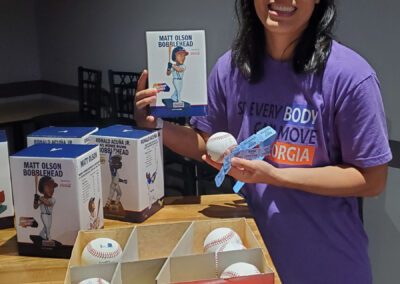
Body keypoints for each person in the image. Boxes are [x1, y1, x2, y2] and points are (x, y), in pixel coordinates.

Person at [134, 0, 392, 283]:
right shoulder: (230, 69)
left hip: (328, 266)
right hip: (251, 263)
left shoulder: (351, 76)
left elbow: (372, 179)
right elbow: (206, 142)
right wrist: (156, 125)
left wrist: (276, 177)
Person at [33, 176, 57, 241]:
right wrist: (35, 200)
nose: (51, 189)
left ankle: (42, 233)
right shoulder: (40, 199)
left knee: (47, 226)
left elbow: (48, 203)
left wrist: (39, 198)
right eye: (48, 187)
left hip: (49, 215)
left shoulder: (53, 199)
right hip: (44, 215)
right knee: (47, 227)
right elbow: (35, 207)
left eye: (52, 187)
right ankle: (48, 238)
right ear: (42, 189)